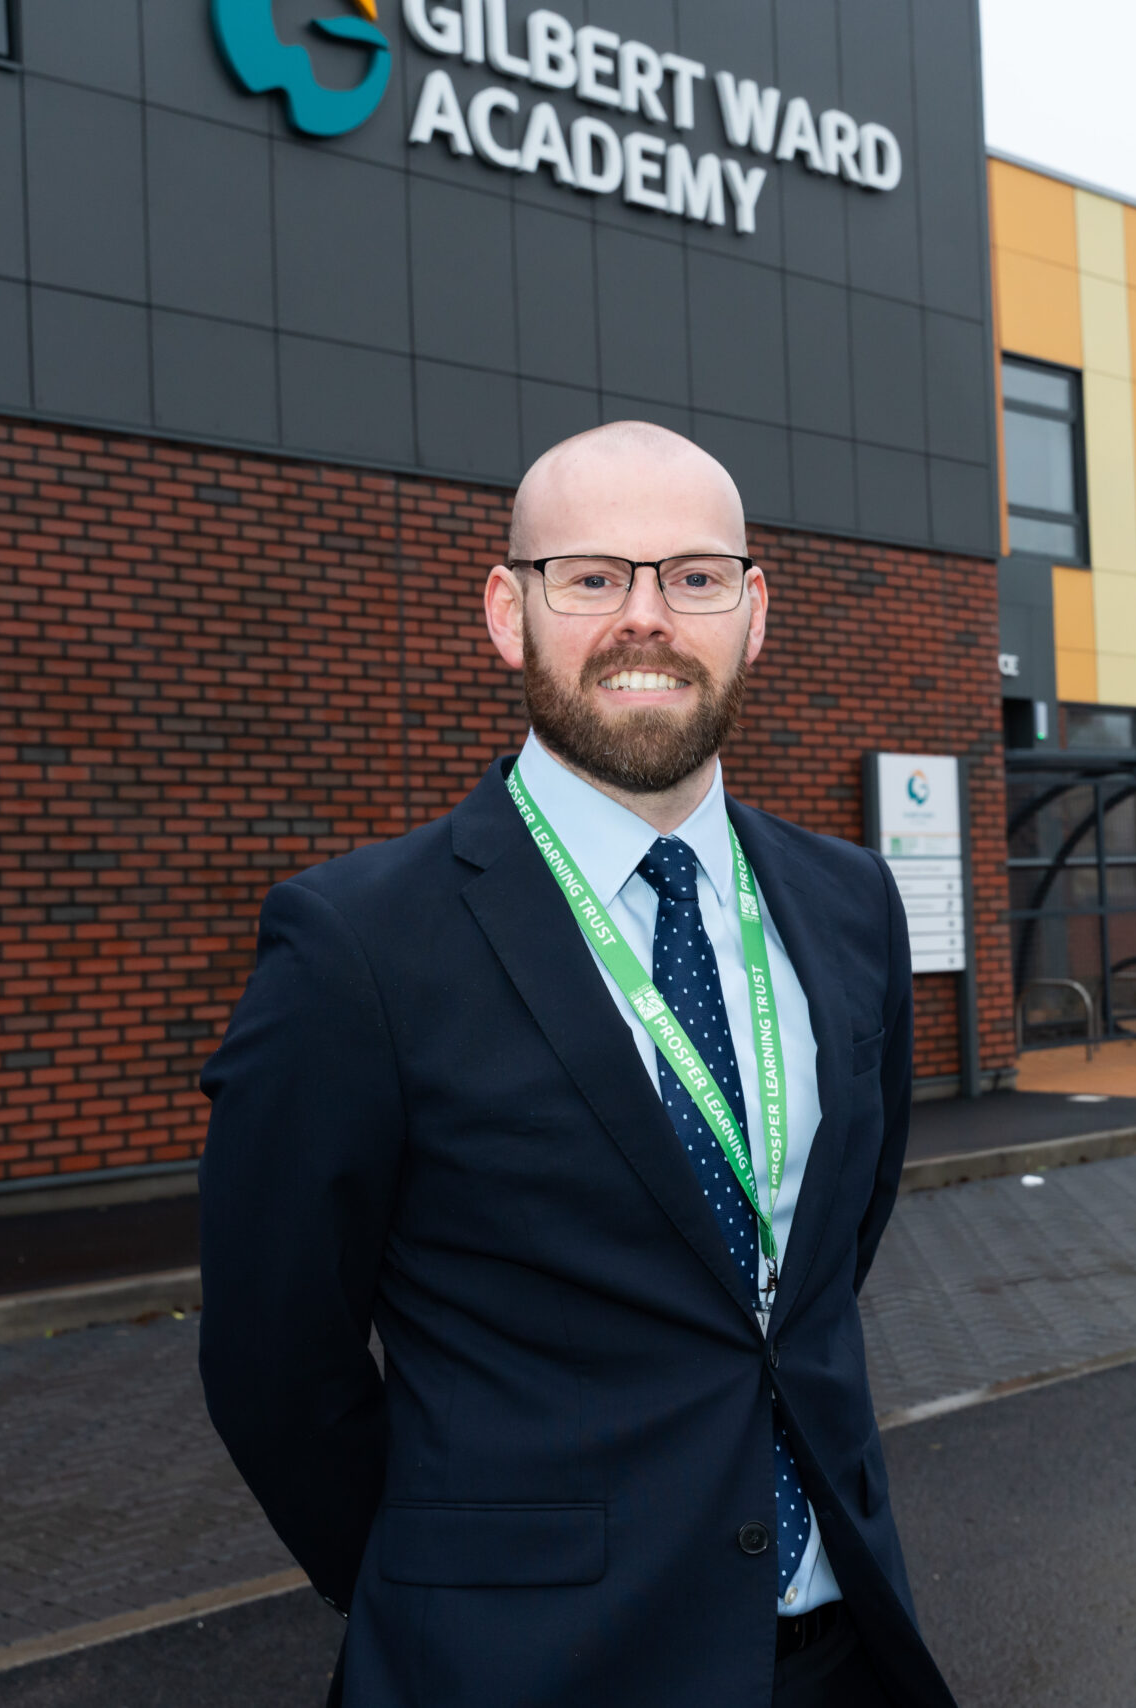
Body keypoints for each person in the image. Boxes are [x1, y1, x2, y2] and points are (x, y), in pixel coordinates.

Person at [197, 422, 958, 1708]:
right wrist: (434, 1582)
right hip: (519, 1671)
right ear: (510, 611)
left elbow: (816, 1265)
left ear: (753, 612)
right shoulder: (358, 945)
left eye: (694, 577)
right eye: (593, 576)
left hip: (844, 1653)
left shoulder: (849, 904)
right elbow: (275, 1360)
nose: (647, 618)